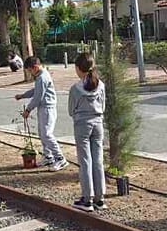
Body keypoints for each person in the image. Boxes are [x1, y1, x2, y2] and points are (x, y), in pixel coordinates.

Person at [15, 56, 67, 171]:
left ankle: (60, 158)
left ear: (35, 67)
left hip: (48, 108)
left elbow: (38, 97)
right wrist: (23, 95)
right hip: (43, 108)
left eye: (29, 70)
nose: (30, 73)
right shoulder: (40, 76)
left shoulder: (42, 77)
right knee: (42, 134)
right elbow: (36, 91)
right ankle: (48, 156)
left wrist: (28, 110)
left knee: (47, 134)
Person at [68, 53, 106, 212]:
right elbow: (103, 106)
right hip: (98, 123)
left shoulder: (76, 88)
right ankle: (100, 198)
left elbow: (71, 110)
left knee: (85, 161)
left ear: (78, 68)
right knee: (98, 160)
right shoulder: (101, 85)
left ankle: (87, 199)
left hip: (82, 124)